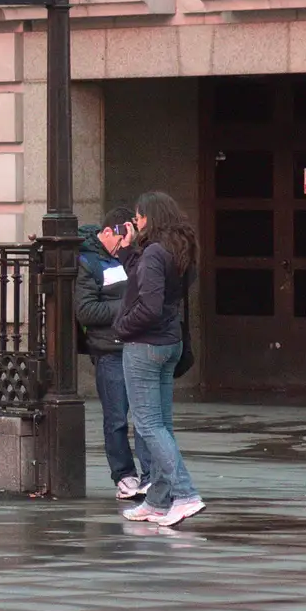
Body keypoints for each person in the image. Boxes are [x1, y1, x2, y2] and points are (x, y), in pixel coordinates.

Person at [113, 191, 204, 527]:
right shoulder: (177, 250)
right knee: (161, 425)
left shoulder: (153, 252)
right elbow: (151, 286)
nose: (135, 223)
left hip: (145, 346)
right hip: (169, 343)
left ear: (149, 217)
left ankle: (185, 494)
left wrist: (122, 326)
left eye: (137, 218)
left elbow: (148, 305)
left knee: (149, 425)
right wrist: (125, 251)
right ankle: (157, 500)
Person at [75, 207, 152, 500]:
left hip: (135, 344)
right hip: (110, 348)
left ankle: (148, 474)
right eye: (120, 239)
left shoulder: (129, 255)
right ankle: (124, 475)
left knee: (145, 417)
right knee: (117, 417)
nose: (122, 245)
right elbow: (85, 310)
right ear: (107, 232)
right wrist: (128, 307)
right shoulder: (89, 262)